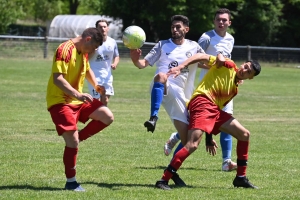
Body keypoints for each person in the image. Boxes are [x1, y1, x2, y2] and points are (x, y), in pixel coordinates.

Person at [155, 52, 261, 190]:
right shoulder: (229, 65)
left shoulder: (234, 89)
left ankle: (240, 178)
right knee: (192, 144)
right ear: (242, 64)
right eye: (245, 66)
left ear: (250, 78)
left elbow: (214, 113)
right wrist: (182, 66)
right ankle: (163, 180)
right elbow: (202, 56)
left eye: (248, 72)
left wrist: (209, 138)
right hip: (202, 102)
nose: (244, 70)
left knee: (244, 134)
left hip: (213, 110)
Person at [130, 15, 204, 185]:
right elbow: (142, 64)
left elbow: (207, 61)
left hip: (180, 94)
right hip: (161, 86)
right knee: (161, 76)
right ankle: (153, 117)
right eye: (173, 27)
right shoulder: (162, 45)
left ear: (186, 29)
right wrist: (135, 59)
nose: (175, 30)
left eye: (178, 27)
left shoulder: (194, 47)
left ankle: (171, 171)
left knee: (189, 141)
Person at [164, 8, 237, 172]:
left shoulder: (231, 39)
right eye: (218, 19)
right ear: (214, 21)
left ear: (229, 23)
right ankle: (175, 139)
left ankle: (227, 161)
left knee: (228, 118)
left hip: (224, 87)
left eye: (224, 20)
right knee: (198, 123)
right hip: (208, 89)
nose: (221, 22)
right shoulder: (206, 38)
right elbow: (194, 56)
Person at [46, 27, 114, 191]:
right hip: (61, 101)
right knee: (72, 141)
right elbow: (58, 79)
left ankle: (76, 140)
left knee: (107, 116)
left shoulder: (83, 51)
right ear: (88, 39)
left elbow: (87, 68)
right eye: (94, 47)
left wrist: (96, 86)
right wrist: (77, 94)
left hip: (77, 100)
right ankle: (71, 182)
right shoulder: (64, 49)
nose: (94, 51)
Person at [87, 19, 120, 106]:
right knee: (96, 101)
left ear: (108, 28)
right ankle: (97, 117)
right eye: (100, 27)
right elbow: (85, 58)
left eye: (104, 27)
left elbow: (116, 56)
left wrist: (115, 64)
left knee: (105, 100)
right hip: (94, 76)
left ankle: (101, 119)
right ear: (96, 29)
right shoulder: (91, 42)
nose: (103, 29)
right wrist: (93, 51)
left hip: (107, 76)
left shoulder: (112, 42)